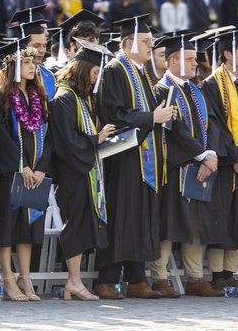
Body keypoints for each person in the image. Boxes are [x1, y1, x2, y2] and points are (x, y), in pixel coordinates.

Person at [93, 16, 174, 299]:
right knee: (121, 216)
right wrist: (152, 116)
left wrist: (161, 114)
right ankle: (107, 279)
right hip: (122, 156)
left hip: (144, 157)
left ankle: (137, 278)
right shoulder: (115, 70)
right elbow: (114, 114)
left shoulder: (140, 72)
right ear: (129, 43)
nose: (152, 46)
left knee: (140, 216)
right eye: (146, 42)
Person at [149, 33, 223, 298]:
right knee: (168, 224)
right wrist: (201, 155)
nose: (196, 63)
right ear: (172, 61)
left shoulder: (197, 90)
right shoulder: (161, 90)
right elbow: (174, 130)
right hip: (174, 168)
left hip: (200, 167)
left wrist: (211, 154)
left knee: (195, 223)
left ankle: (195, 277)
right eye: (190, 59)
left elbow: (213, 124)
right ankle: (159, 277)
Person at [49, 40, 113, 301]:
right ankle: (73, 282)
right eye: (95, 71)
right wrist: (96, 139)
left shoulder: (81, 99)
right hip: (72, 174)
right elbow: (66, 143)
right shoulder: (64, 98)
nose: (97, 77)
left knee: (82, 225)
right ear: (83, 69)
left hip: (84, 172)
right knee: (74, 226)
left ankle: (74, 282)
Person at [0, 40, 51, 302]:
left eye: (33, 62)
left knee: (28, 229)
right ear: (13, 66)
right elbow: (1, 136)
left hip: (35, 175)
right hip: (11, 174)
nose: (31, 66)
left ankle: (25, 278)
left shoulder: (39, 96)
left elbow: (50, 137)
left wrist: (41, 168)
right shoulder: (0, 96)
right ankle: (8, 278)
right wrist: (21, 165)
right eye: (25, 62)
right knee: (8, 227)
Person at [200, 29, 238, 292]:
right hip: (225, 164)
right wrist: (235, 158)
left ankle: (230, 272)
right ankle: (217, 274)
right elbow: (216, 125)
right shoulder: (212, 84)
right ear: (227, 54)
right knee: (221, 217)